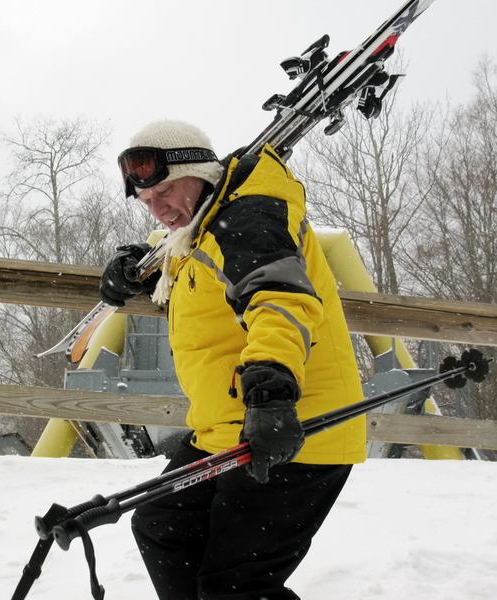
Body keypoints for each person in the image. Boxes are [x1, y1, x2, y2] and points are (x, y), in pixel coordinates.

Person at [99, 119, 367, 600]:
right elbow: (197, 261)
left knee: (238, 587)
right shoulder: (203, 226)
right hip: (227, 429)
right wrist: (139, 265)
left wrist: (271, 391)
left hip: (293, 427)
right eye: (146, 202)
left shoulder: (249, 217)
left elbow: (280, 299)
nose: (158, 210)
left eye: (165, 191)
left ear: (198, 171)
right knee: (166, 527)